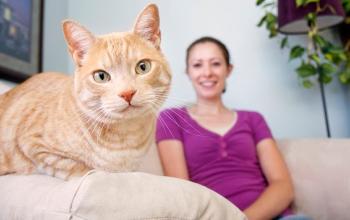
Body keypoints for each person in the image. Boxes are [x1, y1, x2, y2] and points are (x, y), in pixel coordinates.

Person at [156, 37, 310, 220]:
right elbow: (182, 191)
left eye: (216, 64)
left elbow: (283, 187)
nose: (207, 72)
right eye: (197, 65)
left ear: (228, 70)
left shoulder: (253, 119)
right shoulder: (172, 119)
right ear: (188, 72)